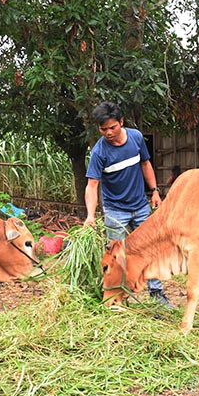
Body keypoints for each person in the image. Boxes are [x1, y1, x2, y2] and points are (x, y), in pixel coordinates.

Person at [84, 101, 174, 308]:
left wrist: (155, 191)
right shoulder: (99, 153)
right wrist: (90, 216)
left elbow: (145, 164)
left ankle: (157, 293)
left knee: (150, 249)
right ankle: (120, 297)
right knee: (117, 257)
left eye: (112, 127)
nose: (107, 132)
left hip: (141, 206)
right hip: (115, 212)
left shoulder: (136, 138)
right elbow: (92, 185)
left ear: (121, 122)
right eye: (103, 129)